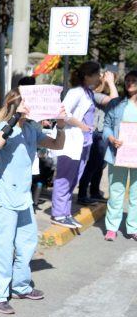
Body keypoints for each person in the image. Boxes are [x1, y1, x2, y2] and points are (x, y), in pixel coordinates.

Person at [0, 90, 66, 314]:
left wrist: (61, 124)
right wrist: (14, 117)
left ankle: (21, 286)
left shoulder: (31, 129)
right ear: (19, 105)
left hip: (22, 197)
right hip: (3, 198)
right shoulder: (6, 127)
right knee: (2, 248)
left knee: (27, 243)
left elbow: (57, 145)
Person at [50, 61, 102, 228]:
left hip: (84, 142)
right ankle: (58, 214)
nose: (99, 76)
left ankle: (65, 212)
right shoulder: (76, 92)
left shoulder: (88, 92)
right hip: (71, 140)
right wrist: (81, 125)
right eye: (97, 74)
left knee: (74, 178)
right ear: (87, 76)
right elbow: (61, 112)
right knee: (65, 176)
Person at [102, 70, 137, 241]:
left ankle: (133, 228)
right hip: (117, 155)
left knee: (136, 194)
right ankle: (111, 228)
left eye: (134, 80)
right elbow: (106, 125)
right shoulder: (116, 103)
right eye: (128, 80)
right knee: (116, 192)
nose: (130, 83)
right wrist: (111, 138)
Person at [77, 70, 119, 205]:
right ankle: (82, 195)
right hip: (95, 133)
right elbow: (115, 101)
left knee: (100, 165)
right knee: (91, 166)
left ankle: (94, 192)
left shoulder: (102, 94)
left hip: (103, 133)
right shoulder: (94, 94)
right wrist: (110, 82)